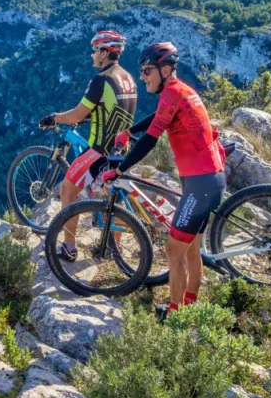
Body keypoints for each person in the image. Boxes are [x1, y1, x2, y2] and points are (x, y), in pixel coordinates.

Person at [100, 42, 226, 317]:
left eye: (147, 71)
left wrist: (119, 170)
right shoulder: (180, 91)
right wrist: (127, 131)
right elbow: (159, 118)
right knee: (191, 248)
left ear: (166, 69)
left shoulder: (173, 92)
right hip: (209, 179)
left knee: (174, 250)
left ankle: (174, 315)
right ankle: (189, 306)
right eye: (142, 71)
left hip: (201, 183)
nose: (143, 76)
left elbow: (150, 140)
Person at [39, 30, 137, 262]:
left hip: (101, 149)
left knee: (67, 190)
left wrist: (55, 117)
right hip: (122, 149)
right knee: (116, 195)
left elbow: (76, 114)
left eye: (94, 51)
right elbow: (113, 110)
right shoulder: (128, 77)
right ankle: (115, 248)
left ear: (104, 53)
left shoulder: (101, 79)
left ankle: (69, 248)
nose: (92, 55)